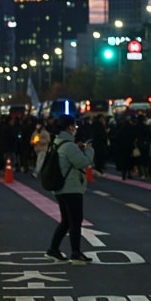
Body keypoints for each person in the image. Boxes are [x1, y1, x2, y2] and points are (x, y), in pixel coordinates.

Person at [45, 114, 94, 265]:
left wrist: (78, 149)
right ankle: (75, 253)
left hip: (61, 188)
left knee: (66, 221)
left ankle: (53, 249)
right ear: (69, 127)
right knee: (75, 221)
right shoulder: (69, 146)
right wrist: (89, 150)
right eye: (74, 126)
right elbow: (84, 162)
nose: (75, 129)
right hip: (71, 188)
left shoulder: (57, 142)